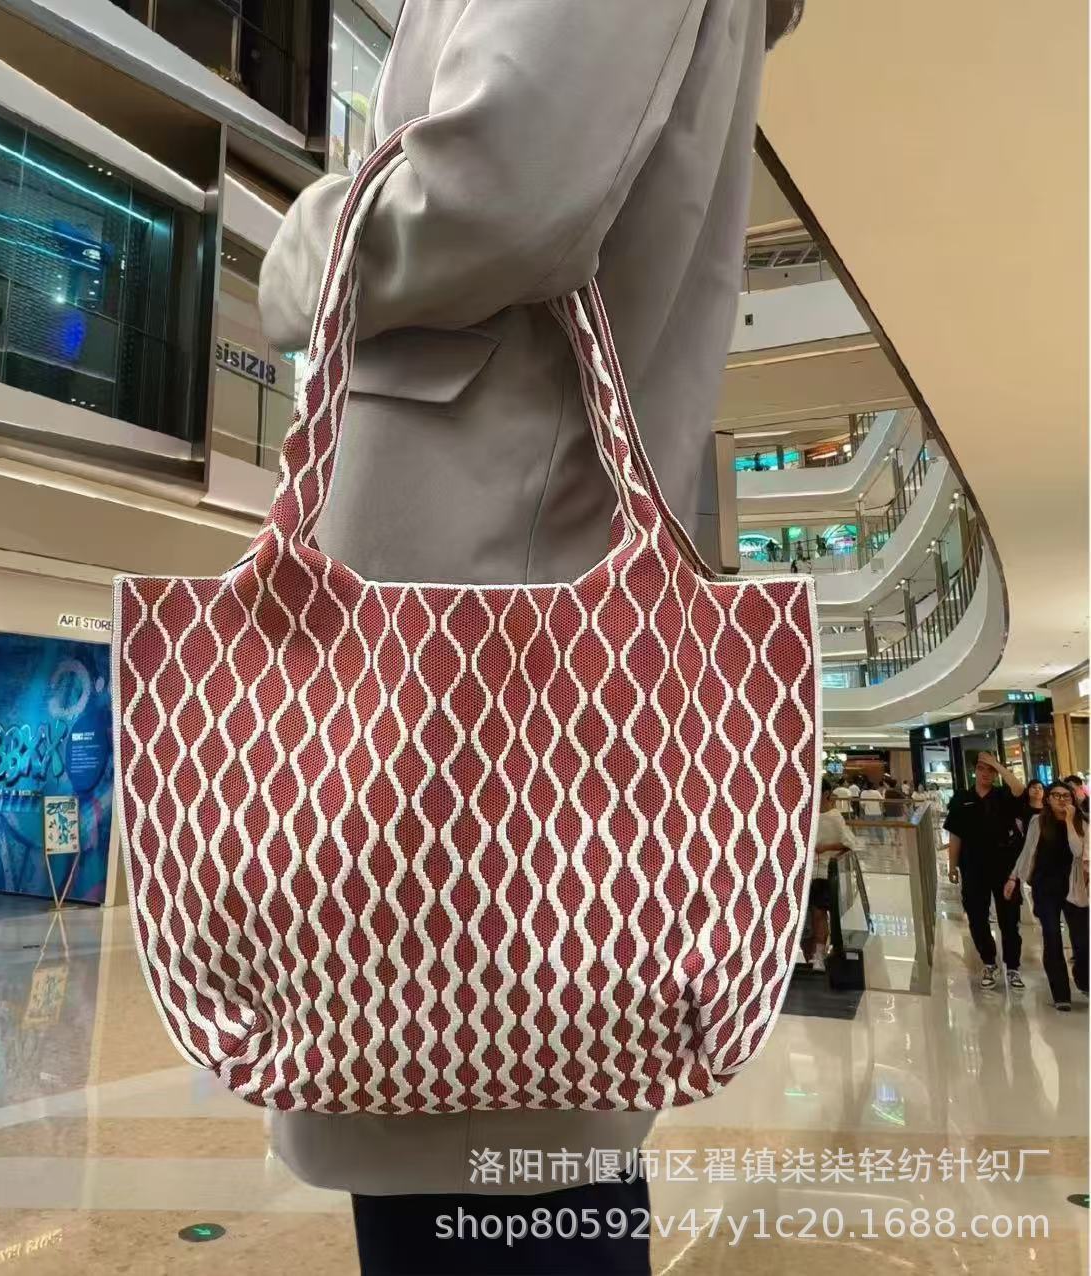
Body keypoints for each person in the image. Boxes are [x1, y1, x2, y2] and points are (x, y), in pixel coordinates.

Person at [258, 2, 806, 1270]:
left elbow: (504, 192)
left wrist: (300, 244)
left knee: (481, 1151)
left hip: (466, 640)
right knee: (492, 1142)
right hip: (476, 628)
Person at [945, 753, 1027, 989]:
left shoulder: (1003, 796)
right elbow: (955, 835)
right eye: (981, 768)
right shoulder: (962, 798)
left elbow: (1019, 789)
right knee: (977, 918)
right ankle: (989, 962)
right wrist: (952, 865)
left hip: (1004, 866)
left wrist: (997, 765)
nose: (985, 773)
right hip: (973, 867)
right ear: (975, 771)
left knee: (1009, 919)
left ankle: (1013, 966)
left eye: (990, 770)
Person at [1005, 781, 1089, 1010]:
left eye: (1066, 796)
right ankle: (1061, 994)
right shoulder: (1038, 821)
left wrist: (1070, 821)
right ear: (1048, 799)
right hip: (1045, 887)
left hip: (1075, 887)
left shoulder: (1082, 822)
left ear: (1073, 799)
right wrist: (1013, 877)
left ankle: (1083, 977)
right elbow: (1027, 851)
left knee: (1083, 941)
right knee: (1052, 937)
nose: (1061, 800)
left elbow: (1078, 851)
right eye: (1056, 795)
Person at [805, 780, 858, 971]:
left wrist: (826, 847)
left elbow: (850, 843)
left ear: (826, 794)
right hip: (810, 875)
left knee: (820, 916)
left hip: (826, 874)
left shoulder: (834, 817)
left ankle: (823, 956)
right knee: (816, 917)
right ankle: (817, 956)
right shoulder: (808, 816)